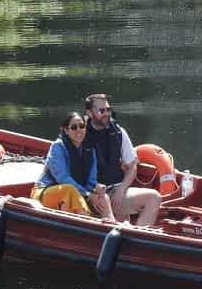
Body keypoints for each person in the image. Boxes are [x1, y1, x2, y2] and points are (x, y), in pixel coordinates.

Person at [84, 94, 161, 226]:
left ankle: (139, 238)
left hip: (115, 191)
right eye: (101, 110)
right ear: (89, 113)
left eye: (108, 110)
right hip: (93, 194)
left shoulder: (119, 132)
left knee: (154, 198)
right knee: (116, 217)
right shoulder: (80, 132)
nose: (107, 113)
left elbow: (132, 166)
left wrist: (122, 190)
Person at [32, 112, 114, 219]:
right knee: (69, 190)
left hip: (77, 193)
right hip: (45, 192)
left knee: (103, 197)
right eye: (74, 127)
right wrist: (88, 195)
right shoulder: (58, 147)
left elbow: (91, 180)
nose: (79, 130)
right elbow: (62, 178)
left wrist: (96, 187)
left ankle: (112, 224)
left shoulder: (89, 149)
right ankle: (89, 222)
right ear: (66, 130)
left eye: (82, 126)